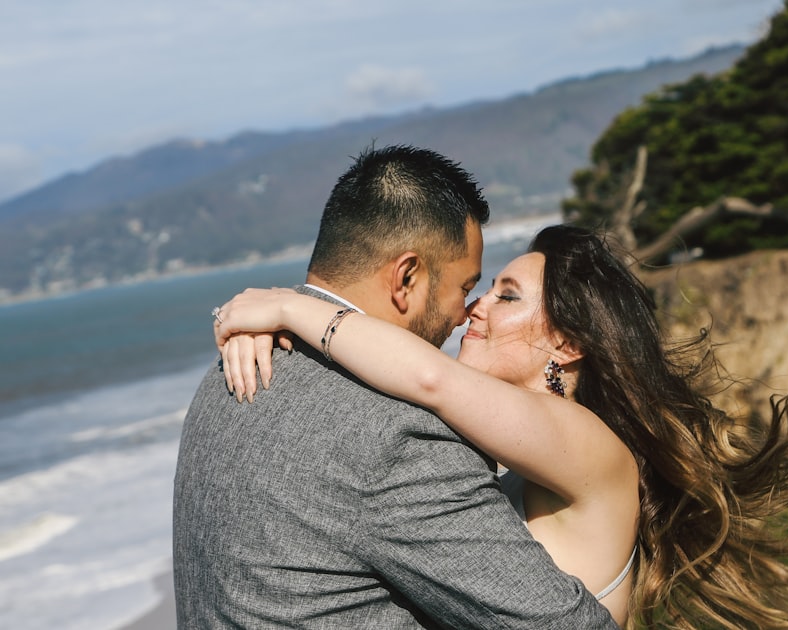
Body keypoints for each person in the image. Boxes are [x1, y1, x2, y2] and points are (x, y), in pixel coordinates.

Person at [215, 224, 788, 629]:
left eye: (507, 296)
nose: (476, 308)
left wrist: (291, 307)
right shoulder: (525, 452)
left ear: (566, 342)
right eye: (485, 289)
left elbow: (427, 379)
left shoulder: (587, 441)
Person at [172, 145, 618, 629]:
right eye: (466, 288)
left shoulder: (225, 372)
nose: (466, 313)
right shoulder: (397, 436)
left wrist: (290, 307)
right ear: (406, 277)